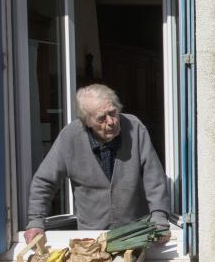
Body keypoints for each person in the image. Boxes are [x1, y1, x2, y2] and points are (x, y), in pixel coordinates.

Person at [23, 84, 171, 245]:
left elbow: (154, 177)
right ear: (87, 121)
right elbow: (44, 182)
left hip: (136, 233)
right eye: (101, 118)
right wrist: (36, 221)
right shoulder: (70, 137)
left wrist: (159, 216)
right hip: (91, 238)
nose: (111, 122)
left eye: (113, 113)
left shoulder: (135, 128)